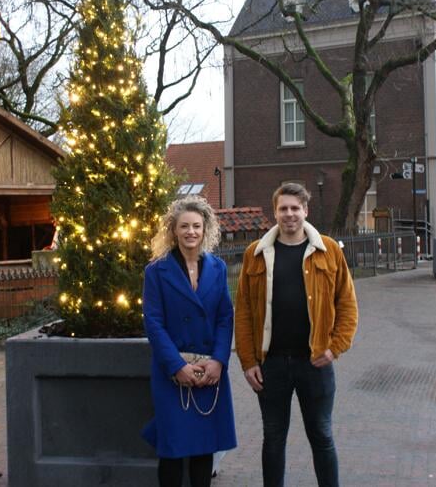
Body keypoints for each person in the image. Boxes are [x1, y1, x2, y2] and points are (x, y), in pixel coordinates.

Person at [234, 183, 359, 487]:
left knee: (322, 435)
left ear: (306, 210)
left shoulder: (327, 250)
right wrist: (248, 361)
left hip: (314, 362)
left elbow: (347, 303)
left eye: (295, 208)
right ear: (274, 212)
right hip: (271, 364)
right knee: (273, 439)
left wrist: (334, 348)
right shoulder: (256, 253)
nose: (289, 214)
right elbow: (244, 311)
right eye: (283, 208)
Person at [141, 196, 237, 487]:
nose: (191, 232)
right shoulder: (155, 271)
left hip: (209, 371)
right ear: (173, 230)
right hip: (172, 372)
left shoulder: (218, 268)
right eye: (184, 226)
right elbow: (153, 323)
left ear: (205, 228)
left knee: (204, 448)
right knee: (171, 448)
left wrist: (219, 361)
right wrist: (176, 366)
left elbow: (225, 317)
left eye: (196, 226)